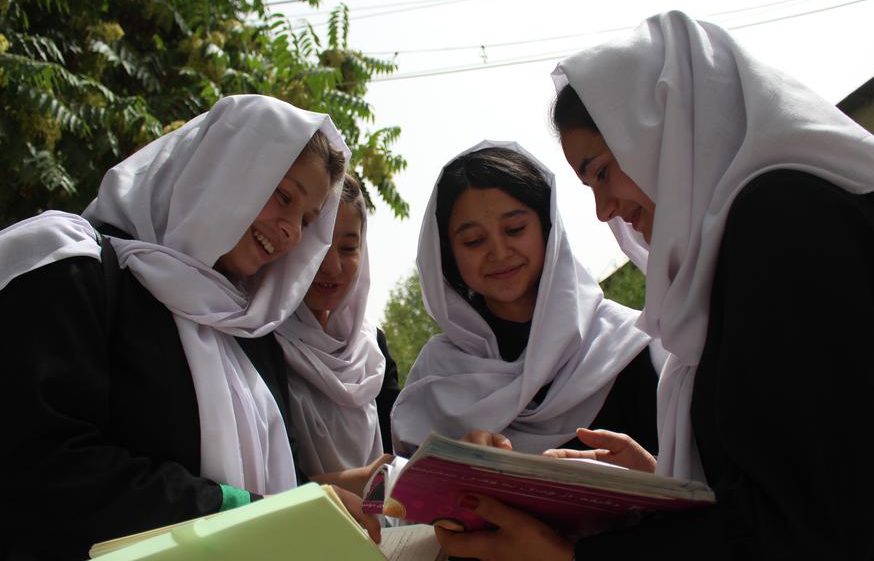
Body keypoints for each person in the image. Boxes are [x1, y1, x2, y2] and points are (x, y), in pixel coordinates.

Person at [434, 11, 874, 560]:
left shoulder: (784, 225)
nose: (604, 208)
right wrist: (663, 481)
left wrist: (566, 557)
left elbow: (813, 526)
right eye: (588, 185)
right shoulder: (756, 233)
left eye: (603, 170)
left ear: (666, 129)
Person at [0, 95, 380, 560]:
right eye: (283, 196)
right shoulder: (70, 264)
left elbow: (271, 483)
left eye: (306, 220)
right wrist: (244, 513)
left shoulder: (251, 336)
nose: (291, 233)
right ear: (223, 165)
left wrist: (319, 499)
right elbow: (40, 468)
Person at [390, 141, 663, 457]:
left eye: (515, 229)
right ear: (449, 256)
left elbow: (684, 479)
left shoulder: (626, 345)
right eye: (474, 241)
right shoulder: (435, 378)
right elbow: (403, 498)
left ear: (548, 230)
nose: (499, 252)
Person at [276, 173, 400, 490]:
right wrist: (360, 483)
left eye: (347, 248)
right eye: (317, 247)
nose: (332, 267)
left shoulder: (372, 348)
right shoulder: (259, 341)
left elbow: (395, 450)